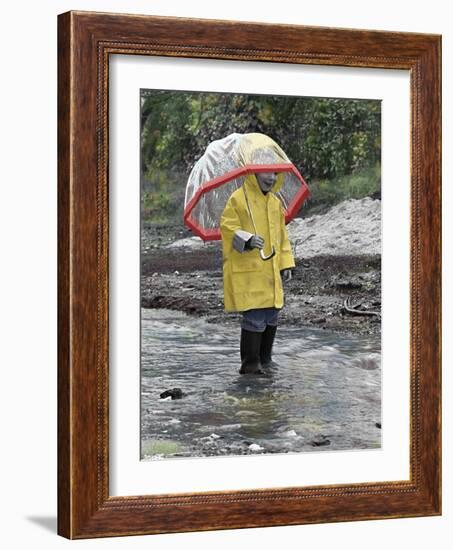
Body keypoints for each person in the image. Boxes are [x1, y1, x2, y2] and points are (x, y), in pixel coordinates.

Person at [220, 170, 295, 375]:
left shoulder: (275, 203)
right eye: (266, 173)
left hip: (271, 271)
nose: (271, 178)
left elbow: (282, 236)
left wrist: (286, 263)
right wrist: (247, 239)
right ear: (253, 173)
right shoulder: (237, 199)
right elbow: (227, 228)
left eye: (275, 173)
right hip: (249, 272)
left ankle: (265, 359)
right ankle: (250, 364)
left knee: (271, 314)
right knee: (254, 316)